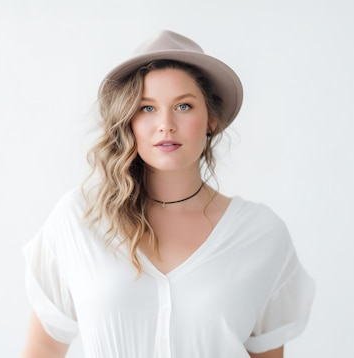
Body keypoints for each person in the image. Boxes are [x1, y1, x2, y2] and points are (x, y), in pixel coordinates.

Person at [22, 30, 315, 358]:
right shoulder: (79, 219)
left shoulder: (260, 233)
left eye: (184, 106)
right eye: (147, 108)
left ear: (211, 120)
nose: (165, 124)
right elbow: (45, 346)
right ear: (128, 120)